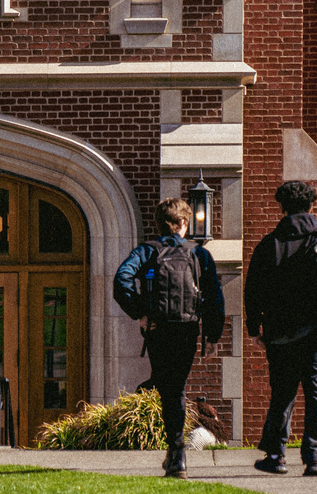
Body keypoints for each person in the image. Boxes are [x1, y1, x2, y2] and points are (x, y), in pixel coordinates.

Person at [114, 198, 225, 479]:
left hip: (157, 329)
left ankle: (176, 455)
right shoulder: (199, 254)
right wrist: (212, 336)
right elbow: (214, 295)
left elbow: (121, 280)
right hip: (187, 328)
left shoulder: (147, 251)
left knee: (169, 389)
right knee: (176, 386)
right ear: (183, 224)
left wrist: (140, 313)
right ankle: (177, 456)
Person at [245, 180, 317, 477]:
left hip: (281, 333)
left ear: (282, 207)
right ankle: (315, 458)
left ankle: (276, 455)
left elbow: (254, 291)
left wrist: (255, 330)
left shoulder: (269, 244)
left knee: (283, 394)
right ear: (312, 205)